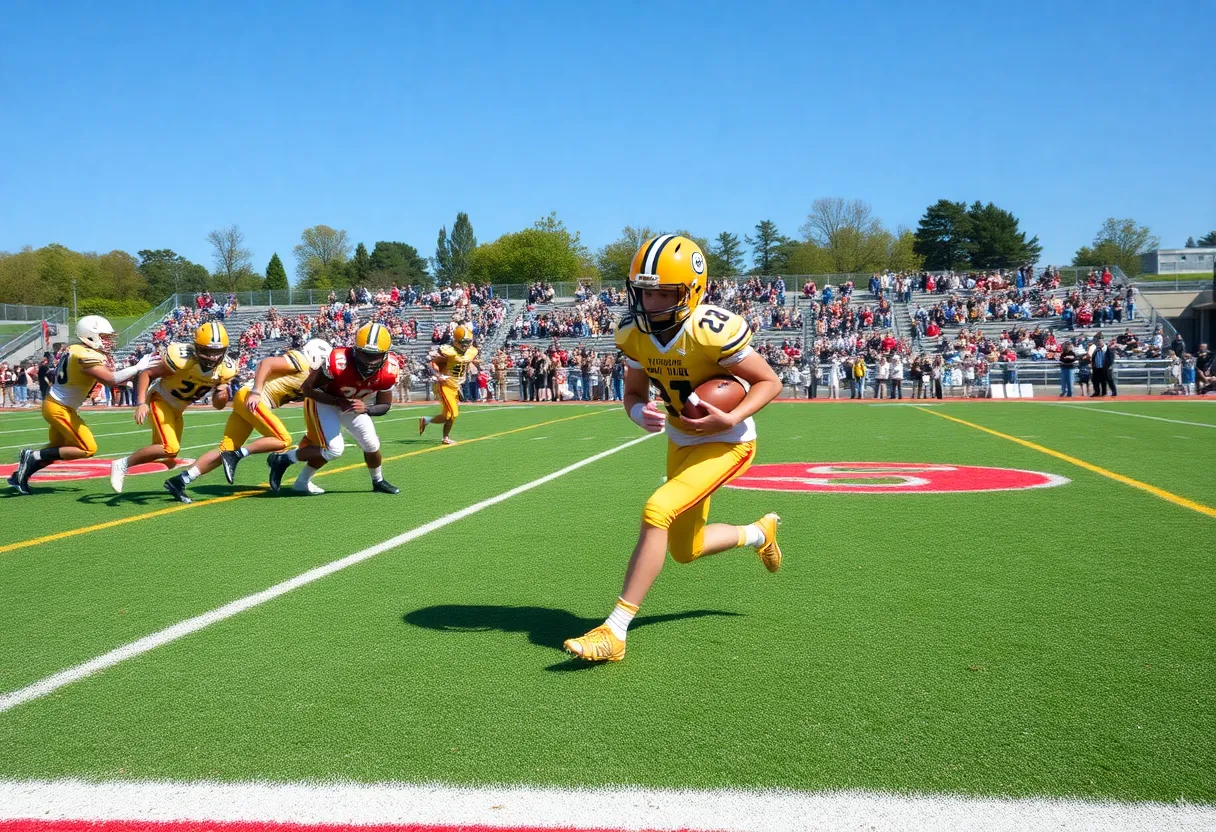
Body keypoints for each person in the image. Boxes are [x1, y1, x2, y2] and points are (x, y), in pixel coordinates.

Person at [563, 235, 784, 663]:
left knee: (657, 509)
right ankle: (759, 533)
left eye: (664, 291)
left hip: (727, 441)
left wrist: (731, 418)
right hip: (681, 439)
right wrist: (636, 413)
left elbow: (769, 381)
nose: (652, 301)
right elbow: (632, 392)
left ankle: (615, 631)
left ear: (691, 291)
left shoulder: (711, 329)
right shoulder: (632, 333)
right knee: (687, 549)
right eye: (645, 291)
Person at [162, 340, 331, 503]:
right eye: (325, 362)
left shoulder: (313, 376)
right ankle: (236, 455)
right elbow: (267, 363)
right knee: (283, 440)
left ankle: (181, 480)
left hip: (247, 400)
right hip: (252, 398)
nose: (326, 368)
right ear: (317, 356)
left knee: (226, 448)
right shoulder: (301, 362)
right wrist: (257, 392)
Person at [8, 316, 156, 495]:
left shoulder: (75, 349)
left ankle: (19, 476)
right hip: (60, 408)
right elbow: (111, 379)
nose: (107, 341)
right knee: (87, 448)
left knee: (56, 449)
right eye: (104, 336)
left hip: (58, 404)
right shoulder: (85, 355)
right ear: (90, 335)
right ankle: (32, 456)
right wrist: (137, 367)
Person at [267, 322, 400, 495]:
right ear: (355, 349)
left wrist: (366, 409)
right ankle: (284, 459)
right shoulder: (339, 361)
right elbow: (308, 389)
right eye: (364, 353)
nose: (368, 361)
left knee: (372, 443)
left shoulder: (390, 369)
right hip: (324, 401)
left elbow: (385, 405)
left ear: (385, 353)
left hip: (351, 404)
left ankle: (378, 481)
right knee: (334, 449)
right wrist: (337, 401)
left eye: (374, 355)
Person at [110, 322, 238, 494]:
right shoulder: (181, 359)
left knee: (169, 454)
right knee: (170, 447)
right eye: (208, 352)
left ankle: (132, 462)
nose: (213, 357)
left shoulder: (225, 370)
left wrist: (221, 393)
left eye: (217, 352)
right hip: (161, 400)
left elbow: (218, 405)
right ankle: (122, 464)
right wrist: (141, 403)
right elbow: (147, 373)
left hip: (178, 409)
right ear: (197, 348)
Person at [420, 325, 478, 445]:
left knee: (446, 415)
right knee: (453, 413)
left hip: (456, 386)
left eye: (468, 342)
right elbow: (430, 364)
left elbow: (465, 362)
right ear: (456, 341)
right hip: (445, 385)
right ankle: (445, 438)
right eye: (463, 342)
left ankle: (426, 420)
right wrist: (437, 375)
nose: (465, 345)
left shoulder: (472, 351)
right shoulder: (449, 352)